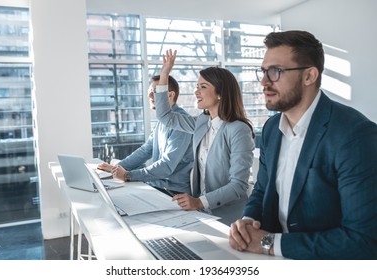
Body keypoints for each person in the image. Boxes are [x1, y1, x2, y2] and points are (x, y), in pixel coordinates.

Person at [228, 30, 377, 259]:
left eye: (275, 71)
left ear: (309, 76)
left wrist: (269, 243)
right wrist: (247, 223)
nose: (264, 82)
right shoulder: (270, 129)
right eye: (263, 72)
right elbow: (261, 190)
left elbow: (363, 241)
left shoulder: (355, 135)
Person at [154, 49, 255, 226]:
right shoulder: (202, 122)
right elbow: (165, 117)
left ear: (220, 94)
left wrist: (200, 202)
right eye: (197, 87)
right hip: (201, 214)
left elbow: (238, 185)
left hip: (229, 219)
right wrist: (164, 75)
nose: (196, 92)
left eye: (203, 87)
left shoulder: (238, 130)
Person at [98, 75, 194, 195]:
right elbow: (145, 150)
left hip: (173, 192)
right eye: (149, 92)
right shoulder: (162, 122)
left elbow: (167, 165)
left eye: (154, 92)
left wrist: (128, 175)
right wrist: (116, 168)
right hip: (156, 186)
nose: (149, 96)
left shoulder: (181, 123)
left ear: (170, 95)